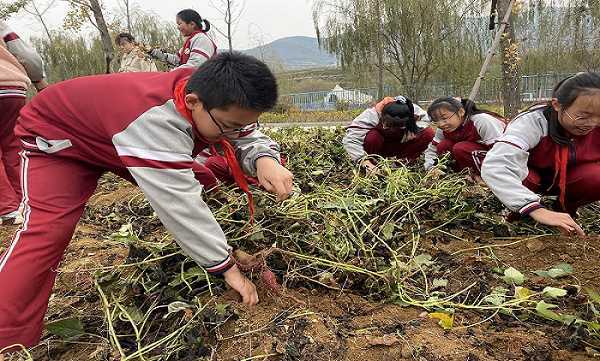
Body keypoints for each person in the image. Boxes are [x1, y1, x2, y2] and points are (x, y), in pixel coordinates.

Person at [0, 52, 293, 354]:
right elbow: (178, 205)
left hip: (117, 132)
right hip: (59, 139)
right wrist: (225, 268)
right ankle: (7, 339)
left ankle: (227, 243)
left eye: (242, 126)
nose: (234, 134)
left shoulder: (211, 92)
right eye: (229, 126)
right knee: (47, 232)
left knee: (205, 181)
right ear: (193, 103)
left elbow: (245, 131)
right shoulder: (154, 120)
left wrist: (264, 159)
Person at [482, 72, 600, 235]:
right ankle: (517, 213)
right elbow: (496, 166)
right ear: (557, 105)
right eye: (583, 116)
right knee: (525, 177)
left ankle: (566, 212)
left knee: (595, 176)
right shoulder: (532, 123)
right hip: (532, 180)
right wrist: (534, 208)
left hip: (571, 179)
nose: (592, 124)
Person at [0, 20, 46, 226]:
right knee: (12, 147)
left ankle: (7, 209)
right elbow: (27, 56)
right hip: (12, 89)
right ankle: (25, 203)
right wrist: (38, 80)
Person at [343, 95, 434, 173]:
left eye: (399, 126)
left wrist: (413, 128)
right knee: (373, 137)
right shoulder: (371, 115)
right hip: (380, 147)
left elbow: (427, 120)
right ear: (382, 116)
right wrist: (364, 161)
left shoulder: (413, 111)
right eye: (388, 125)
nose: (392, 129)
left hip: (401, 145)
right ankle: (373, 166)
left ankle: (400, 164)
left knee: (428, 133)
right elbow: (350, 139)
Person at [423, 97, 506, 180]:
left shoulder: (481, 121)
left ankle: (486, 177)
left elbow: (502, 151)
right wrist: (430, 167)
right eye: (436, 120)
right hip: (472, 157)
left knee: (461, 148)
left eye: (444, 118)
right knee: (443, 145)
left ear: (461, 112)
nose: (441, 124)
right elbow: (432, 149)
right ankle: (460, 176)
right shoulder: (443, 129)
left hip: (498, 158)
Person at [149, 9, 217, 69]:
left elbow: (196, 65)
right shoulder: (191, 40)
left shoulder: (202, 39)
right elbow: (176, 59)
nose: (177, 27)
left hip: (203, 82)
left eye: (179, 24)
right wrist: (155, 52)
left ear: (192, 24)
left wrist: (173, 72)